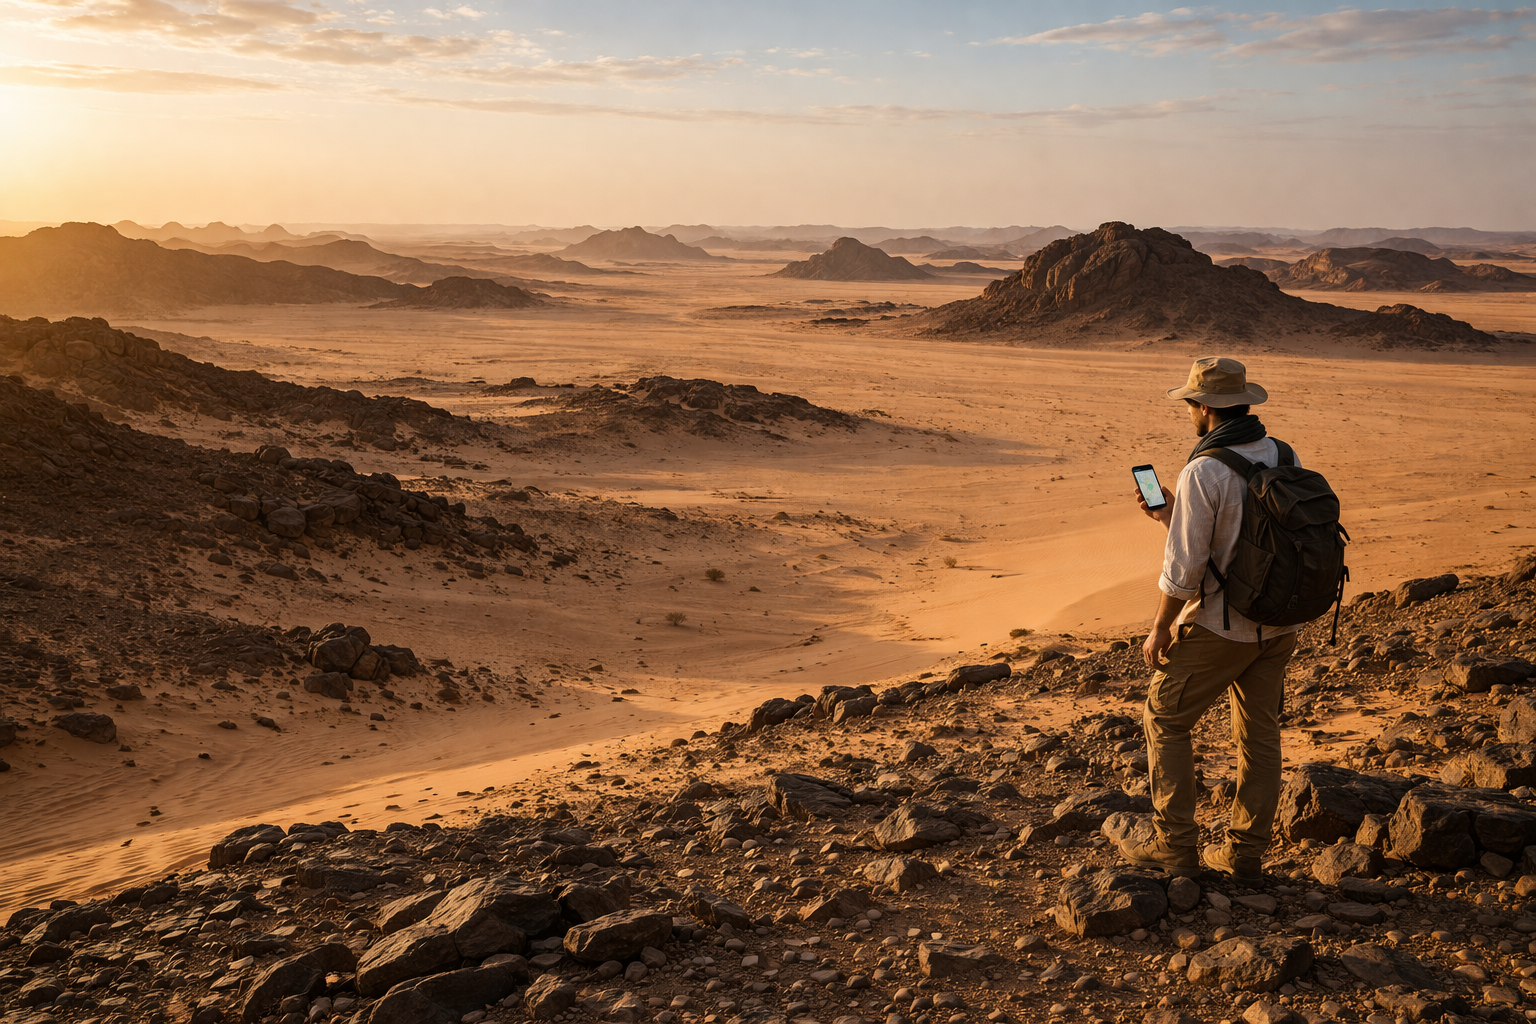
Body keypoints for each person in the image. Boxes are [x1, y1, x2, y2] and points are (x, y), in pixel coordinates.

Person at [1116, 356, 1302, 884]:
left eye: (1191, 405)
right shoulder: (1281, 453)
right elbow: (1248, 537)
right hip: (1280, 623)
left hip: (1225, 625)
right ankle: (1245, 855)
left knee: (1165, 717)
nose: (1190, 413)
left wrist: (1160, 627)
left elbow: (1185, 567)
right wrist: (1172, 515)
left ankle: (1174, 847)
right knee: (1260, 735)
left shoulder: (1206, 469)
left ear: (1203, 408)